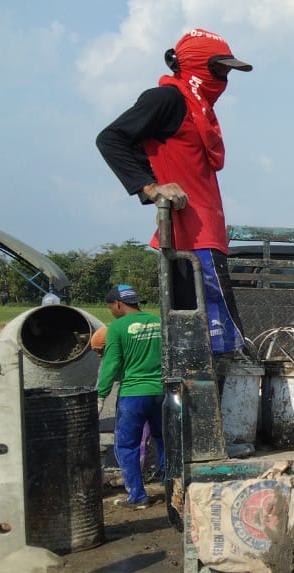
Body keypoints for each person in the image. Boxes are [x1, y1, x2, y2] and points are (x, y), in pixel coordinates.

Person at [96, 28, 253, 356]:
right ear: (195, 66)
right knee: (211, 345)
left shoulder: (200, 109)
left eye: (228, 72)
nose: (224, 79)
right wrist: (151, 187)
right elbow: (111, 139)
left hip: (209, 235)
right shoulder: (167, 99)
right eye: (219, 70)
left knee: (215, 344)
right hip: (191, 240)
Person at [95, 284, 165, 509]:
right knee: (164, 440)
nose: (111, 310)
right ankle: (173, 487)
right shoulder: (159, 321)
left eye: (110, 307)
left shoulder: (117, 327)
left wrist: (100, 396)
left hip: (133, 395)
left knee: (126, 446)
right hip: (161, 392)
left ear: (117, 304)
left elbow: (111, 363)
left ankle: (137, 496)